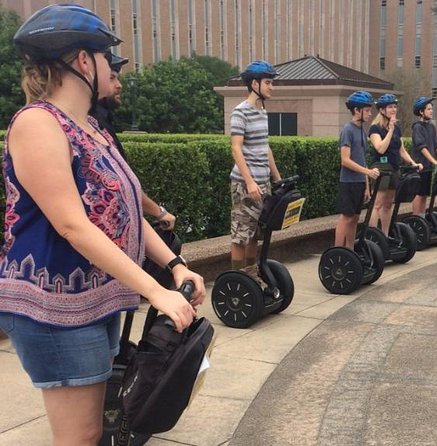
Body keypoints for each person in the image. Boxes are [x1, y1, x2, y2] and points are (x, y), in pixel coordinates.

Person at [0, 5, 206, 445]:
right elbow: (73, 226)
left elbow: (127, 211)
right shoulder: (37, 123)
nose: (112, 68)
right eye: (105, 57)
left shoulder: (92, 128)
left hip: (96, 304)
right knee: (80, 436)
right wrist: (155, 292)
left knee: (95, 430)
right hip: (54, 308)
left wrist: (175, 265)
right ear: (82, 61)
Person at [91, 53, 177, 230]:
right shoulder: (92, 123)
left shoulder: (100, 120)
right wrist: (159, 212)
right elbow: (120, 184)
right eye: (111, 77)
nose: (119, 85)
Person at [229, 60, 282, 274]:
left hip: (263, 182)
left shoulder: (262, 111)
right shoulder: (240, 112)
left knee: (255, 235)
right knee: (241, 235)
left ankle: (251, 277)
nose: (271, 87)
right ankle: (238, 281)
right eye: (268, 82)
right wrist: (249, 181)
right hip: (244, 184)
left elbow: (265, 148)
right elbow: (236, 148)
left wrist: (278, 179)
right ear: (254, 84)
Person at [368, 93, 422, 235]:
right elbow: (380, 148)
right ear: (381, 110)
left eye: (394, 107)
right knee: (377, 204)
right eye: (390, 107)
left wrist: (413, 163)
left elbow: (402, 150)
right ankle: (374, 236)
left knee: (388, 203)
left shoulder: (397, 128)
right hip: (381, 167)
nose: (393, 110)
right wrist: (390, 130)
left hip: (394, 167)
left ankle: (385, 235)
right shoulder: (375, 128)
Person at [334, 91, 380, 249]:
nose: (370, 113)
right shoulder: (348, 129)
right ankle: (338, 251)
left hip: (359, 182)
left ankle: (349, 250)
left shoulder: (362, 130)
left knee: (354, 218)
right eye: (366, 110)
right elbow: (345, 160)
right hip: (348, 182)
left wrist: (366, 185)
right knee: (345, 218)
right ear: (356, 110)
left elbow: (361, 159)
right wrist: (367, 172)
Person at [410, 96, 437, 215]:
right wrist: (434, 161)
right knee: (418, 194)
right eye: (428, 109)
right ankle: (416, 218)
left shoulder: (431, 127)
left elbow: (436, 145)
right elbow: (422, 147)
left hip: (428, 167)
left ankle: (422, 218)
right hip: (420, 166)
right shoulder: (417, 127)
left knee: (424, 194)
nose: (431, 111)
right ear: (421, 112)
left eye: (431, 109)